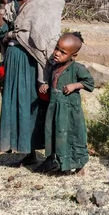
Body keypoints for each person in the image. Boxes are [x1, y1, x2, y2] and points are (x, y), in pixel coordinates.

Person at [0, 0, 65, 166]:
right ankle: (27, 151)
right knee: (16, 104)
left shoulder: (41, 3)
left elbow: (44, 36)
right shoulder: (12, 2)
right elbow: (2, 31)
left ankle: (50, 154)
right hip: (13, 59)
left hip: (33, 62)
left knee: (35, 105)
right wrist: (3, 4)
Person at [36, 32, 95, 175]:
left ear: (73, 55)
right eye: (57, 49)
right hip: (55, 107)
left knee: (72, 136)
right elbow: (55, 83)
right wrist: (47, 87)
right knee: (56, 135)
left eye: (63, 52)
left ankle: (79, 165)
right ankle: (60, 165)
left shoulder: (77, 68)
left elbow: (90, 83)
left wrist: (74, 86)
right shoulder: (55, 67)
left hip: (69, 110)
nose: (57, 53)